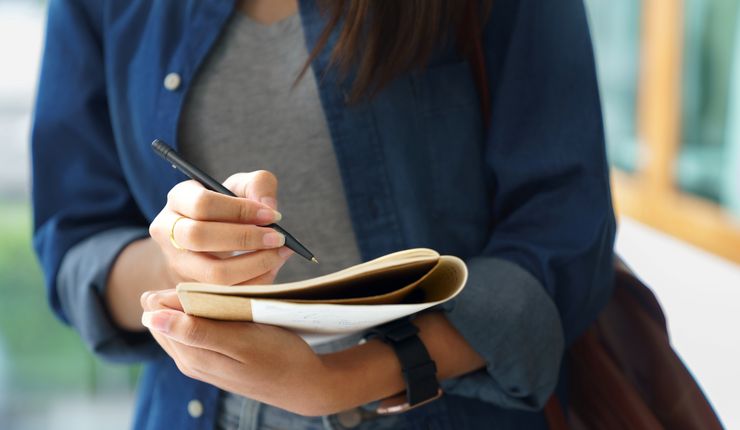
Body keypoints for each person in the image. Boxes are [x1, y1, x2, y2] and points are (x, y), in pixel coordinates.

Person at [31, 0, 616, 428]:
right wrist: (181, 262)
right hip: (199, 414)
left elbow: (563, 237)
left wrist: (338, 381)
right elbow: (78, 243)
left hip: (445, 411)